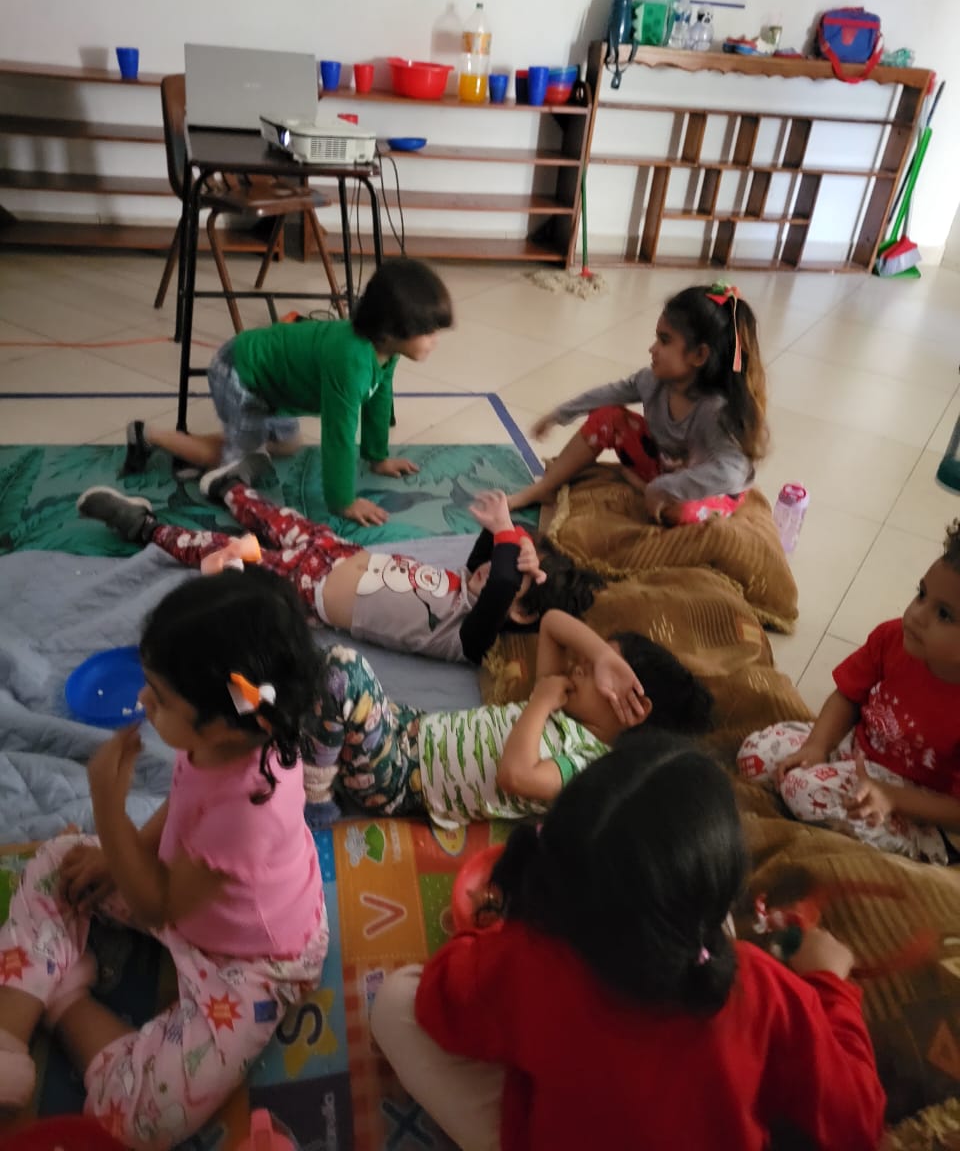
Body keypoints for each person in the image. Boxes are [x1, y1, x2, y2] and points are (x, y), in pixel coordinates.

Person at [369, 731, 886, 1151]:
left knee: (394, 1002)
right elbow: (858, 1121)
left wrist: (492, 940)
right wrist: (830, 983)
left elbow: (439, 999)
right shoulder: (761, 987)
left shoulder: (529, 957)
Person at [0, 571, 327, 1148]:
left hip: (252, 961)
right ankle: (6, 1037)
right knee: (59, 860)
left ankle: (67, 1000)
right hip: (184, 896)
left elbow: (158, 906)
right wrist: (117, 856)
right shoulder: (224, 737)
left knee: (143, 1118)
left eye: (161, 697)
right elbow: (181, 803)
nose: (144, 702)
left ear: (226, 721)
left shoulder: (248, 812)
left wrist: (109, 810)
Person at [77, 481, 603, 667]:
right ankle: (230, 489)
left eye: (508, 577)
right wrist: (513, 539)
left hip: (312, 590)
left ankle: (144, 526)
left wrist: (511, 537)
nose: (490, 569)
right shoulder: (471, 584)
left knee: (222, 551)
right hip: (339, 553)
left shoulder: (470, 636)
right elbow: (493, 558)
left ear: (518, 611)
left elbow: (504, 578)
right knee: (283, 521)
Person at [305, 608, 714, 827]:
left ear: (632, 711)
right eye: (590, 661)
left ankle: (316, 795)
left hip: (399, 780)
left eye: (592, 672)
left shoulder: (586, 764)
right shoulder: (562, 702)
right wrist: (605, 657)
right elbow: (552, 623)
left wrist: (540, 701)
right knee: (319, 681)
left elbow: (515, 776)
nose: (579, 665)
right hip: (410, 729)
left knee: (343, 669)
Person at [122, 257, 454, 526]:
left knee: (287, 444)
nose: (435, 341)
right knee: (236, 464)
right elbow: (338, 434)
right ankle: (149, 435)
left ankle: (220, 441)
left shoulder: (384, 350)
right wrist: (344, 501)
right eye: (428, 332)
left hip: (272, 384)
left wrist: (377, 457)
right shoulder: (350, 361)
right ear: (390, 330)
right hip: (240, 372)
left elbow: (379, 397)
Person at [737, 520, 960, 865]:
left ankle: (906, 853)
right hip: (856, 750)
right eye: (921, 594)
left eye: (944, 614)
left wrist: (891, 797)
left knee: (800, 789)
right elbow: (847, 696)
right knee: (756, 754)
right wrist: (816, 746)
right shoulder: (892, 638)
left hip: (918, 805)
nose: (916, 615)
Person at [506, 282, 767, 526]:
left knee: (682, 510)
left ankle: (644, 488)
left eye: (664, 340)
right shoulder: (653, 380)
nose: (652, 349)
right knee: (608, 417)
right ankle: (543, 489)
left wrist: (662, 488)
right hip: (666, 470)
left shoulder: (716, 410)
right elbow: (610, 394)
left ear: (699, 355)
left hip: (709, 487)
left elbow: (731, 474)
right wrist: (559, 414)